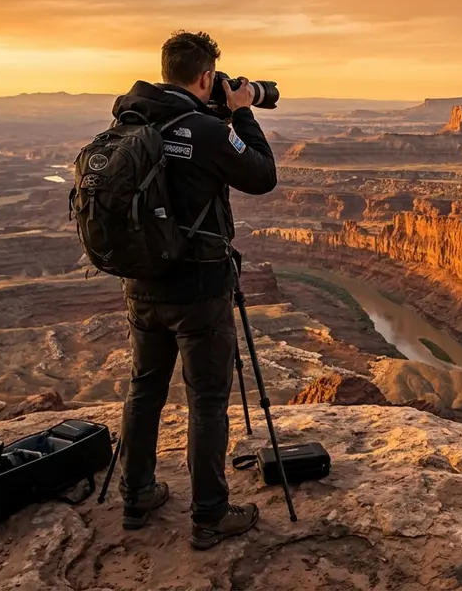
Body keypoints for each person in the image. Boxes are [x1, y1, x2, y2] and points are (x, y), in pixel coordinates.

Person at [108, 30, 277, 550]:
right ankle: (210, 514)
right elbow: (262, 175)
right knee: (207, 400)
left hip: (140, 285)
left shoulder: (130, 121)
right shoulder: (203, 130)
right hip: (199, 291)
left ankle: (136, 495)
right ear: (206, 77)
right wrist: (243, 111)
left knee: (144, 389)